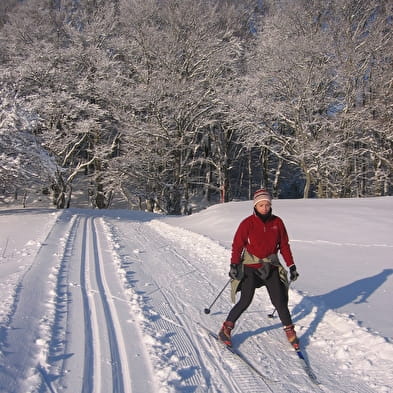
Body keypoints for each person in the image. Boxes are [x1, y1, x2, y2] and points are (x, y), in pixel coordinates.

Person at [218, 188, 300, 349]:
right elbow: (238, 245)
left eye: (267, 204)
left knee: (279, 300)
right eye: (261, 205)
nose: (264, 208)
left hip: (270, 265)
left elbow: (284, 245)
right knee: (246, 299)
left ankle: (289, 330)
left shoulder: (277, 223)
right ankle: (226, 328)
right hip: (251, 266)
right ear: (255, 206)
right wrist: (234, 264)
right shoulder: (247, 223)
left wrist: (291, 265)